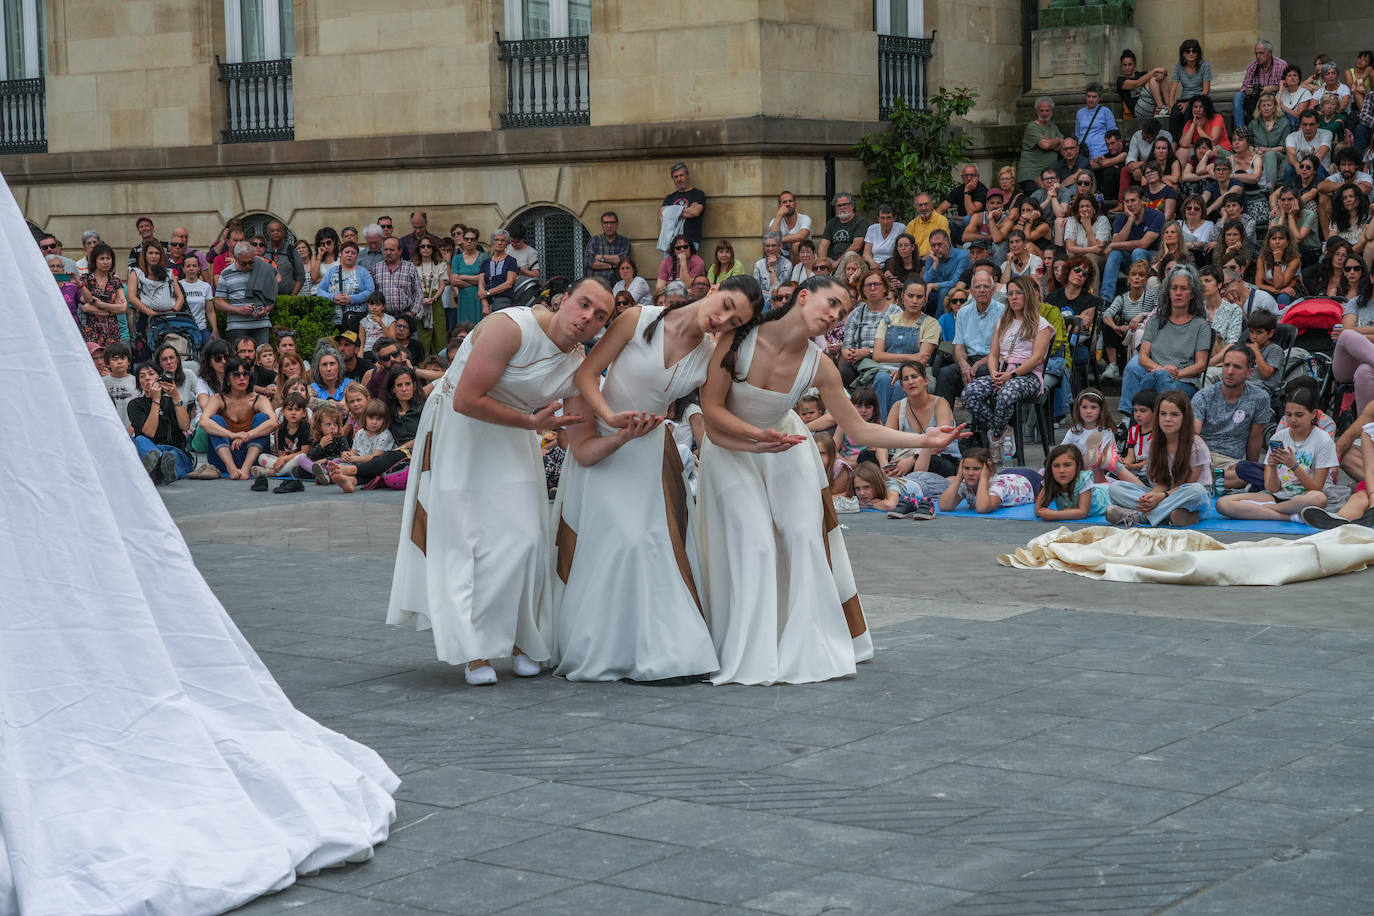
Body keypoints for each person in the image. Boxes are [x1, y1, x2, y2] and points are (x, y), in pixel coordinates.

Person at [695, 274, 964, 685]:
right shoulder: (739, 337)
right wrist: (755, 437)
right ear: (803, 296)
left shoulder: (819, 364)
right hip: (731, 447)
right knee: (757, 545)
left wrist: (923, 439)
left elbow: (859, 428)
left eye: (843, 310)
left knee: (805, 537)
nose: (836, 314)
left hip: (785, 446)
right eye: (832, 303)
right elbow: (711, 408)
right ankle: (749, 650)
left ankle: (802, 646)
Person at [387, 278, 615, 684]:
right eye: (583, 304)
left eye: (600, 316)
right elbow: (466, 399)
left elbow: (583, 432)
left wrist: (626, 431)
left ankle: (520, 639)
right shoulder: (511, 327)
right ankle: (474, 652)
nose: (587, 318)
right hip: (461, 432)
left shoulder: (578, 364)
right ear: (563, 300)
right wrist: (530, 422)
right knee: (466, 541)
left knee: (525, 538)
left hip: (512, 437)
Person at [552, 275, 763, 682]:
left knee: (652, 545)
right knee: (619, 544)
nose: (723, 320)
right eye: (726, 306)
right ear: (714, 290)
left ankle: (668, 652)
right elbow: (586, 375)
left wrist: (760, 437)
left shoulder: (712, 354)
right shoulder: (636, 319)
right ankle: (609, 649)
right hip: (606, 442)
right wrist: (610, 418)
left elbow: (717, 408)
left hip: (649, 451)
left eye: (735, 321)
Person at [960, 276, 1054, 454]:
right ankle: (1002, 430)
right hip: (1002, 373)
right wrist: (994, 373)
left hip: (1028, 376)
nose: (1014, 297)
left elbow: (1037, 359)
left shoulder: (1041, 324)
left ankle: (995, 436)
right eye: (1010, 293)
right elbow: (994, 354)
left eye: (1019, 292)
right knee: (969, 393)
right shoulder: (1003, 322)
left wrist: (1011, 376)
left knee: (1006, 393)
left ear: (1028, 295)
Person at [1219, 386, 1336, 523]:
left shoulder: (1323, 440)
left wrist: (1294, 466)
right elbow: (1272, 489)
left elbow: (1316, 488)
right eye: (1288, 415)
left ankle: (1267, 509)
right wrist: (1273, 467)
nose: (1293, 420)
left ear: (1313, 414)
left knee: (1318, 498)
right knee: (1223, 504)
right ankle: (1290, 516)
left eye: (1299, 415)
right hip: (1278, 495)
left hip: (1305, 496)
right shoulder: (1278, 438)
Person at [1106, 390, 1212, 527]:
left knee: (1196, 490)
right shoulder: (1155, 443)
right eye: (1163, 414)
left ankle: (1141, 517)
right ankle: (1171, 516)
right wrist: (1151, 497)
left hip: (1189, 497)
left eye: (1174, 414)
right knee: (1116, 488)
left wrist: (1162, 496)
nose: (1167, 419)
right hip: (1167, 496)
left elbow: (1188, 484)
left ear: (1185, 417)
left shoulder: (1196, 445)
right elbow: (1161, 481)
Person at [1118, 264, 1213, 410]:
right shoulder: (1155, 320)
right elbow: (1143, 357)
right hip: (1155, 374)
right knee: (1138, 370)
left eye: (1184, 288)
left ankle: (1139, 417)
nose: (1178, 293)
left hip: (1184, 380)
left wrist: (1176, 374)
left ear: (1192, 294)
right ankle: (1131, 417)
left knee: (1154, 383)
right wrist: (1163, 371)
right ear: (1168, 292)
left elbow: (1200, 365)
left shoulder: (1201, 325)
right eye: (1174, 288)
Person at [1192, 345, 1274, 489]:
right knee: (1251, 477)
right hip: (1204, 457)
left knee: (1252, 473)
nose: (1230, 372)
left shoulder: (1259, 398)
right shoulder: (1204, 396)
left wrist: (1251, 467)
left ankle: (1203, 481)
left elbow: (1255, 438)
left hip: (1232, 464)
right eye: (1226, 365)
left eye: (1237, 367)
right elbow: (1194, 436)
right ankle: (1204, 479)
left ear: (1249, 372)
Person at [198, 356, 277, 480]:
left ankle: (246, 468)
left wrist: (248, 435)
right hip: (223, 457)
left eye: (245, 374)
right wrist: (232, 435)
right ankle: (231, 468)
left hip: (252, 456)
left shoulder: (259, 399)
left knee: (262, 418)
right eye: (236, 375)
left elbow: (273, 422)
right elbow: (203, 422)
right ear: (228, 379)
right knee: (214, 420)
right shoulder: (218, 399)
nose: (242, 378)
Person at [871, 280, 941, 417]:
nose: (914, 301)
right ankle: (881, 426)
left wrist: (903, 370)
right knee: (882, 379)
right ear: (902, 296)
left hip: (917, 371)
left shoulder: (931, 324)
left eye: (919, 297)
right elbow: (877, 356)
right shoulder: (887, 320)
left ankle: (898, 426)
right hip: (885, 369)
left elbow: (922, 360)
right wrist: (910, 357)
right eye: (910, 296)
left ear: (925, 299)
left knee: (901, 385)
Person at [936, 268, 1003, 404]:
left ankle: (984, 416)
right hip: (969, 358)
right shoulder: (963, 312)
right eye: (978, 287)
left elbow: (1003, 349)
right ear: (971, 291)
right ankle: (944, 415)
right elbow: (959, 346)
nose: (982, 290)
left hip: (993, 360)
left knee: (982, 371)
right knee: (945, 373)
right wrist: (963, 364)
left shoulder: (1003, 311)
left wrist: (978, 364)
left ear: (993, 290)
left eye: (986, 287)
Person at [1101, 186, 1165, 301]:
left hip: (1151, 261)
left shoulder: (1156, 216)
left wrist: (1113, 245)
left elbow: (1144, 243)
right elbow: (1117, 241)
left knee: (1138, 251)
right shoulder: (1121, 219)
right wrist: (1130, 220)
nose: (1130, 204)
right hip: (1129, 261)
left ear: (1142, 200)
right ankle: (1106, 299)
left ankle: (1140, 297)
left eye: (1133, 200)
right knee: (1115, 253)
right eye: (1127, 201)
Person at [936, 447, 1040, 514]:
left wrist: (984, 477)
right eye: (966, 468)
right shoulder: (966, 483)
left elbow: (982, 508)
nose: (970, 473)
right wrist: (959, 476)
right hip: (1007, 475)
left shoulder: (997, 485)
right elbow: (944, 506)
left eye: (976, 469)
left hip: (1029, 480)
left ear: (987, 470)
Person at [212, 241, 277, 346]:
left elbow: (272, 295)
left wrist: (266, 309)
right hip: (237, 327)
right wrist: (239, 310)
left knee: (263, 355)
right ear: (236, 258)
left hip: (261, 325)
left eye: (251, 262)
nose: (248, 266)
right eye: (244, 263)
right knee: (239, 355)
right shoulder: (226, 273)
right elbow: (218, 303)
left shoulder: (262, 269)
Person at [1036, 443, 1112, 521]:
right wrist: (1046, 513)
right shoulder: (1051, 481)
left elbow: (1083, 512)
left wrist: (1054, 514)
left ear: (1078, 467)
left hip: (1108, 494)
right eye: (1056, 466)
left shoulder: (1083, 480)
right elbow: (1038, 510)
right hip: (1097, 487)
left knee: (1115, 489)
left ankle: (1101, 463)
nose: (1061, 470)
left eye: (1067, 465)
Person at [80, 242, 127, 348]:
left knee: (113, 356)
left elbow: (122, 308)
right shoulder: (85, 279)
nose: (105, 262)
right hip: (92, 329)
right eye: (102, 259)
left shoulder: (115, 281)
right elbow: (86, 307)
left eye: (108, 258)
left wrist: (99, 304)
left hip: (112, 330)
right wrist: (111, 311)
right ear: (95, 260)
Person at [1234, 39, 1287, 129]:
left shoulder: (1281, 65)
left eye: (1261, 53)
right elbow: (1243, 89)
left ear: (1270, 53)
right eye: (1256, 53)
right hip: (1255, 99)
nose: (1258, 56)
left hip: (1274, 98)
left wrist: (1272, 88)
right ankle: (1240, 129)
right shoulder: (1252, 66)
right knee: (1238, 97)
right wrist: (1248, 90)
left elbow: (1289, 86)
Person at [1167, 39, 1213, 138]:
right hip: (1184, 99)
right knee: (1175, 113)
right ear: (1183, 53)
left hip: (1200, 98)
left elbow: (1206, 91)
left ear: (1198, 53)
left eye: (1194, 51)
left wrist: (1189, 103)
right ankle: (1173, 142)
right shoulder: (1179, 67)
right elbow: (1173, 89)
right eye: (1188, 51)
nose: (1191, 53)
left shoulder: (1205, 65)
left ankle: (1184, 141)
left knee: (1188, 113)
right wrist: (1171, 106)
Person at [1019, 97, 1064, 196]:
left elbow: (1062, 145)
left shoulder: (1053, 126)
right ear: (1037, 111)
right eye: (1041, 110)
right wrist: (1056, 140)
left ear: (1051, 111)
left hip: (1048, 177)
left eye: (1047, 110)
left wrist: (1048, 142)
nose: (1044, 113)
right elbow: (1045, 145)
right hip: (1031, 176)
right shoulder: (1032, 126)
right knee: (1035, 199)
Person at [413, 234, 449, 355]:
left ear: (433, 249)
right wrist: (421, 300)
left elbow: (442, 285)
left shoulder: (440, 264)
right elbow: (412, 287)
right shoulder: (413, 266)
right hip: (420, 302)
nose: (426, 249)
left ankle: (440, 361)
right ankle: (424, 361)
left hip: (436, 301)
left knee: (439, 333)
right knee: (423, 335)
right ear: (418, 249)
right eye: (423, 246)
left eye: (429, 246)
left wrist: (434, 298)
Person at [659, 162, 706, 250]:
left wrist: (671, 212)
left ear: (688, 175)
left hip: (691, 241)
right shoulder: (669, 198)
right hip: (671, 242)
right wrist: (688, 210)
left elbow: (695, 212)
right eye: (676, 177)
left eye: (681, 175)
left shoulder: (698, 194)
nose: (679, 179)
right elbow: (662, 216)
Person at [921, 229, 969, 314]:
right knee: (921, 291)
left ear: (948, 243)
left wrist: (933, 285)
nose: (936, 248)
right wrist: (935, 264)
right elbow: (925, 281)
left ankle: (939, 320)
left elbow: (955, 282)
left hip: (954, 292)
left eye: (940, 244)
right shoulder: (931, 258)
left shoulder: (962, 256)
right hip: (934, 293)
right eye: (933, 245)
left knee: (944, 291)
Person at [937, 164, 987, 245]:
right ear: (962, 177)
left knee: (968, 218)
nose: (969, 178)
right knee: (946, 222)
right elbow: (940, 209)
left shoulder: (982, 190)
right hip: (961, 228)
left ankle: (971, 245)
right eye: (966, 175)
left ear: (977, 176)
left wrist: (967, 191)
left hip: (978, 229)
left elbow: (970, 212)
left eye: (972, 175)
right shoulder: (959, 190)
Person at [448, 226, 484, 329]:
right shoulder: (457, 258)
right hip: (463, 298)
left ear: (476, 241)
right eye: (467, 239)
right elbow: (454, 281)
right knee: (463, 328)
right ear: (463, 240)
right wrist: (476, 279)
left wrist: (462, 276)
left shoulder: (483, 257)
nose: (469, 241)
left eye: (472, 239)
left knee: (478, 327)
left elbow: (483, 279)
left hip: (478, 298)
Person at [816, 191, 868, 261]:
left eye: (844, 205)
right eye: (838, 206)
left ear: (852, 206)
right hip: (831, 259)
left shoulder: (860, 222)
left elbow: (857, 245)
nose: (841, 208)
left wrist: (838, 262)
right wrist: (823, 261)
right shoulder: (831, 223)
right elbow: (823, 245)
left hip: (851, 260)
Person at [1118, 48, 1167, 119]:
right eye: (1125, 65)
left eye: (1130, 64)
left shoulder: (1140, 74)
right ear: (1121, 66)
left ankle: (1169, 108)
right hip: (1139, 112)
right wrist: (1155, 70)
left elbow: (1164, 71)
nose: (1127, 67)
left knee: (1160, 77)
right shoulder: (1120, 80)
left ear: (1134, 65)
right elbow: (1137, 83)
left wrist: (1162, 73)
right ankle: (1161, 107)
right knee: (1153, 79)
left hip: (1151, 105)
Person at [101, 341, 138, 432]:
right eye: (115, 359)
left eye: (123, 358)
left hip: (133, 432)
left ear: (128, 361)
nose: (119, 362)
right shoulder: (101, 383)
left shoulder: (137, 381)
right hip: (110, 431)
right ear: (108, 363)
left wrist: (133, 428)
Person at [1075, 82, 1118, 160]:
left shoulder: (1105, 112)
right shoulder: (1080, 113)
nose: (1091, 99)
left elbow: (1113, 134)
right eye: (1089, 96)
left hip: (1101, 154)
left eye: (1094, 97)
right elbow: (1077, 134)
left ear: (1099, 98)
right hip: (1084, 155)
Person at [584, 210, 631, 282]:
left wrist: (600, 257)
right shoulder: (594, 241)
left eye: (612, 222)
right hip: (598, 283)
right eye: (606, 223)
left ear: (617, 224)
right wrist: (612, 265)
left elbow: (623, 260)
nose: (609, 226)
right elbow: (589, 263)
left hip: (618, 283)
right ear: (602, 225)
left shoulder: (624, 241)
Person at [767, 190, 812, 258]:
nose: (788, 204)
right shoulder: (775, 221)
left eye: (790, 201)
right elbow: (771, 238)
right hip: (782, 256)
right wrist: (779, 215)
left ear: (795, 205)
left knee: (796, 244)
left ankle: (796, 266)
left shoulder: (805, 218)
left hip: (804, 256)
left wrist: (779, 240)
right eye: (784, 202)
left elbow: (801, 236)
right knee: (772, 248)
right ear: (779, 207)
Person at [753, 231, 792, 299]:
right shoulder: (759, 264)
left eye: (773, 245)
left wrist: (772, 268)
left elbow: (778, 291)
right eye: (767, 246)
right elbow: (755, 290)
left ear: (780, 246)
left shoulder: (787, 264)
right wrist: (768, 294)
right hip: (762, 301)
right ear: (764, 247)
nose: (770, 249)